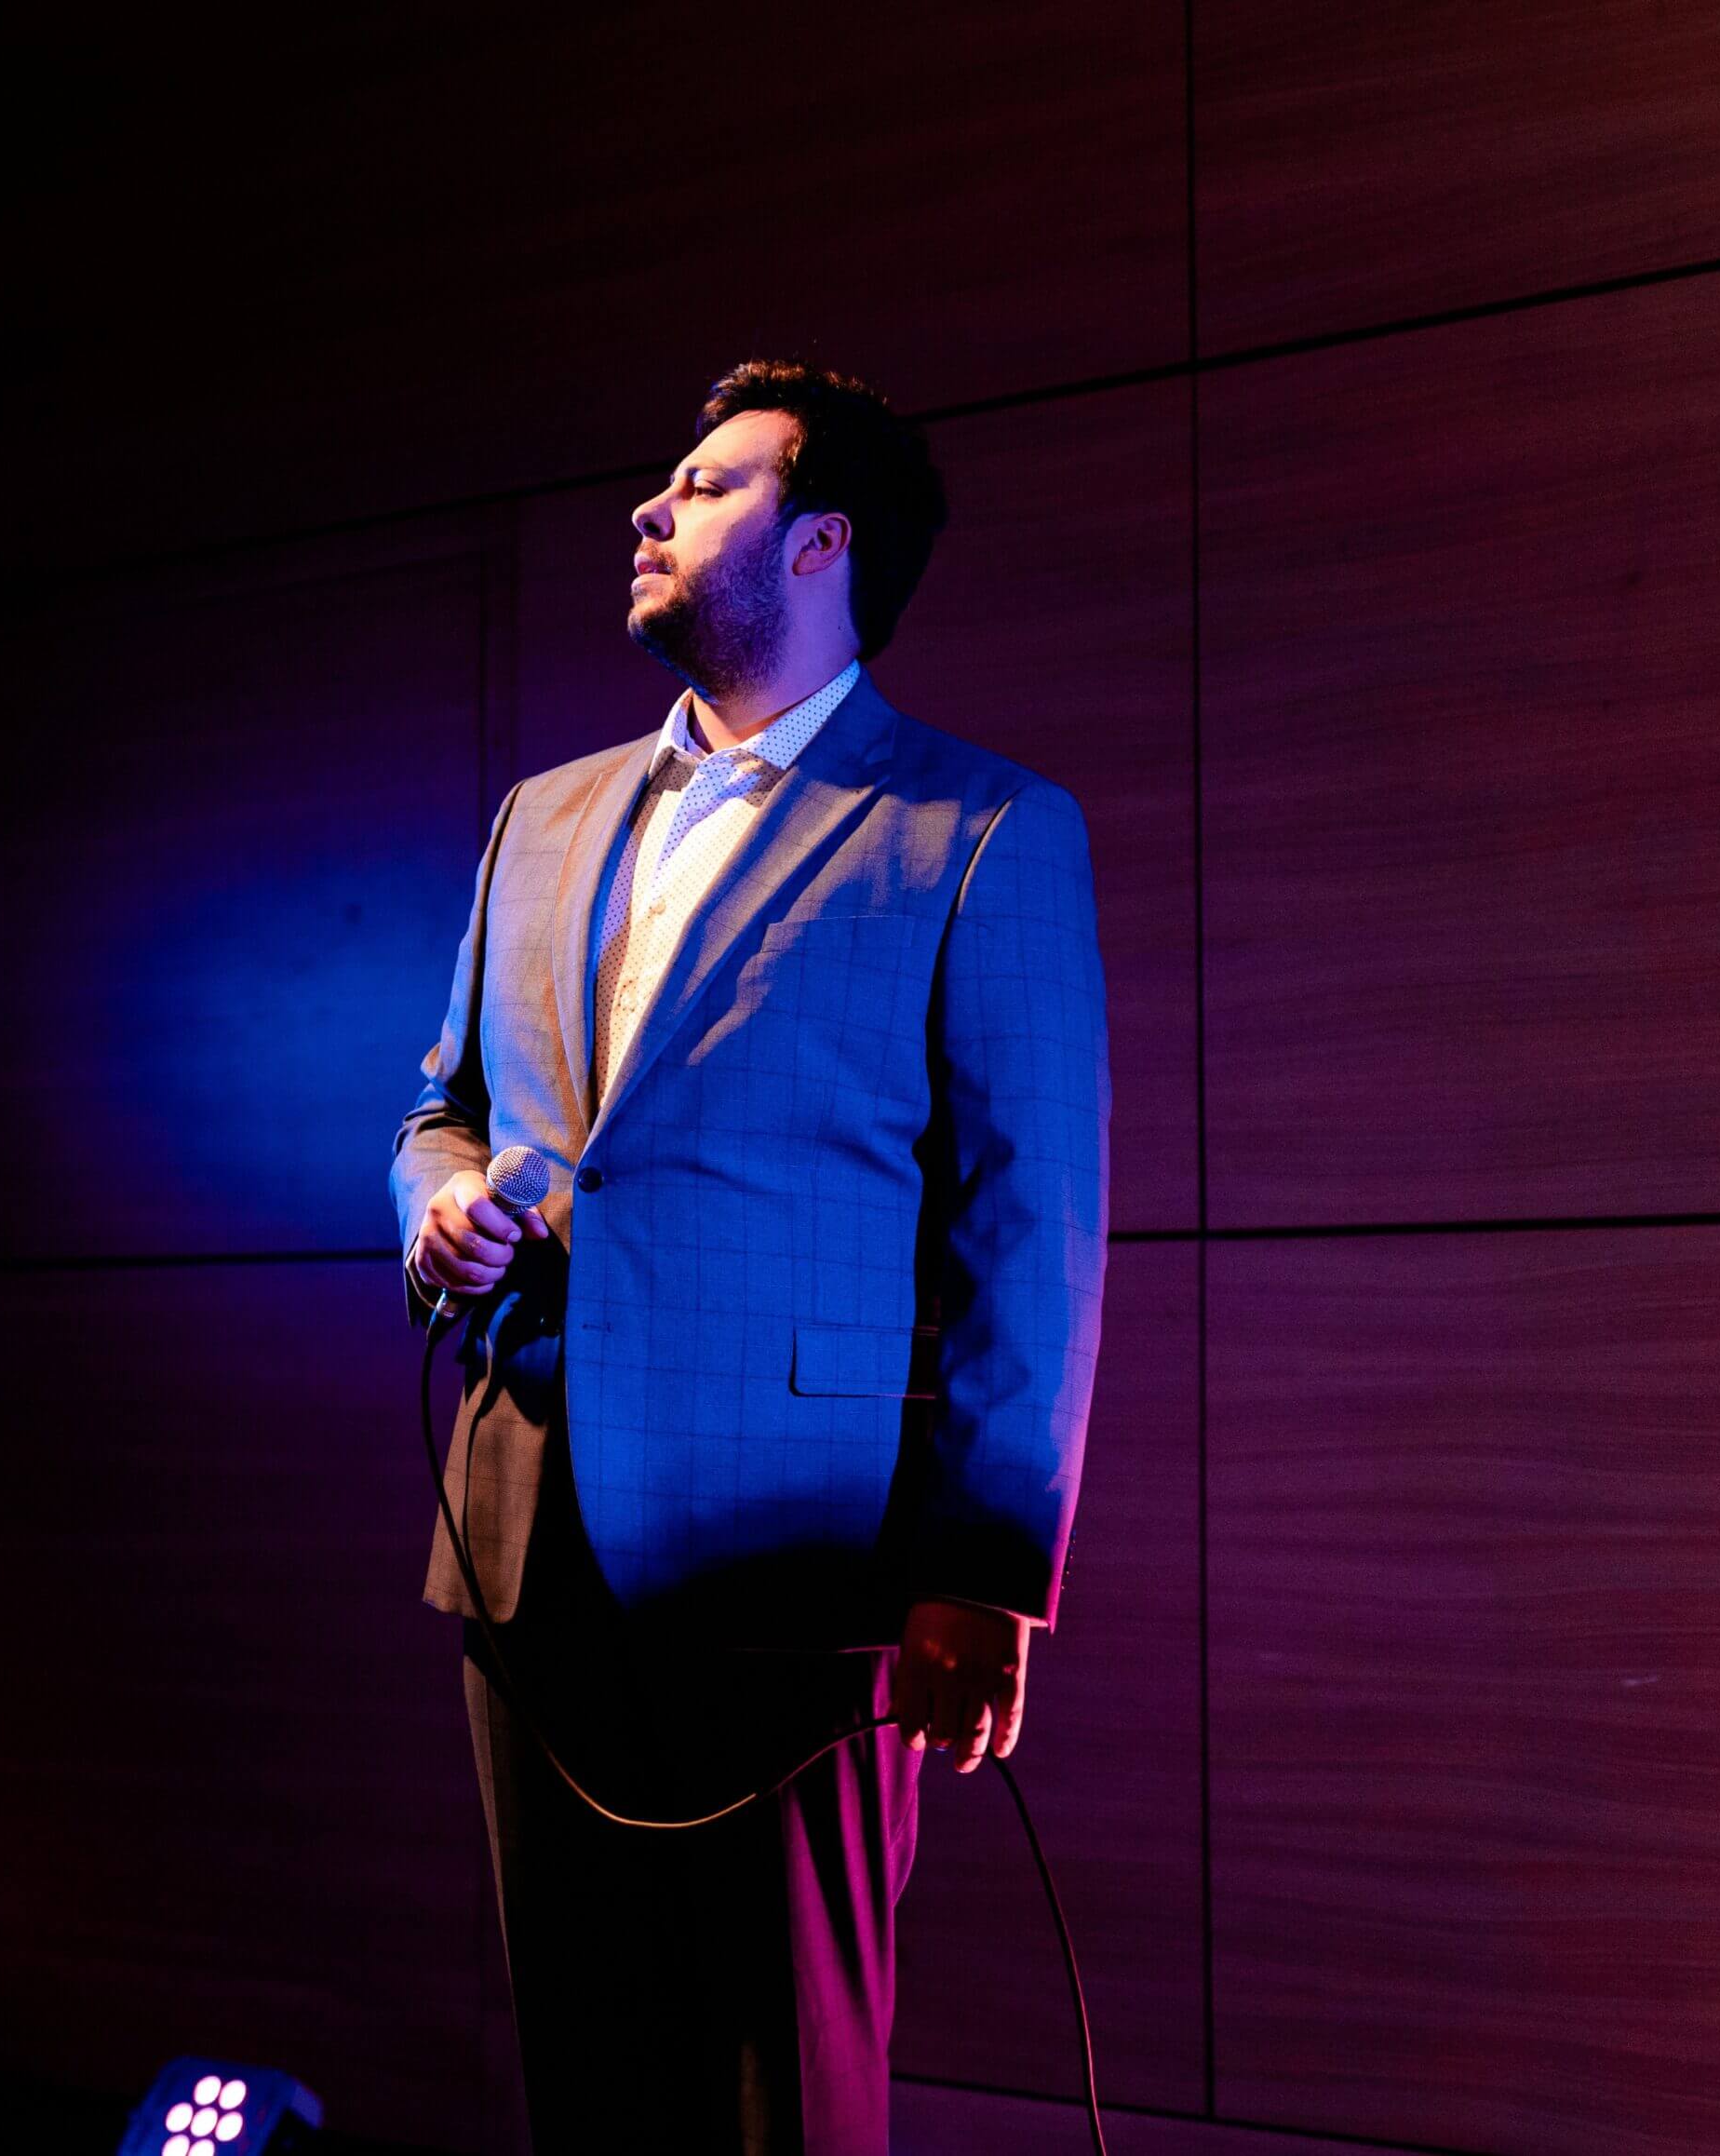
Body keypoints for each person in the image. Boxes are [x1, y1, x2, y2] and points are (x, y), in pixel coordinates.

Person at [391, 358, 1111, 2155]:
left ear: (821, 546)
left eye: (710, 484)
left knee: (780, 2080)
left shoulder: (983, 826)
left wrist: (986, 1574)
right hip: (525, 1523)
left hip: (806, 1555)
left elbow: (1031, 1223)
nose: (654, 506)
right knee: (584, 2069)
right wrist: (438, 1207)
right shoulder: (540, 817)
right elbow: (442, 1110)